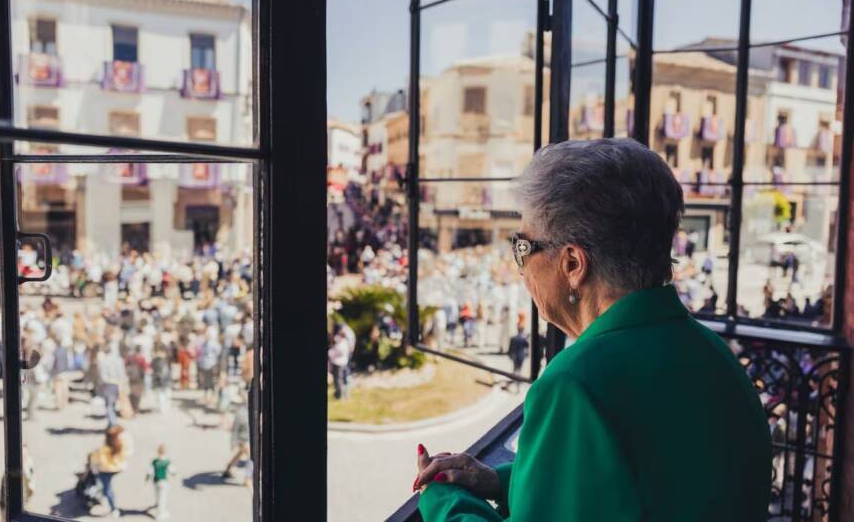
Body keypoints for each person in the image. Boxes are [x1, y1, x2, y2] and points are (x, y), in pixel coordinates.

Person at [413, 139, 771, 521]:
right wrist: (501, 479)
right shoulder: (712, 353)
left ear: (572, 264)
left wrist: (443, 499)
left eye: (522, 247)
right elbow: (650, 480)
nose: (520, 267)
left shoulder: (575, 383)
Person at [90, 425, 132, 518]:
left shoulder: (104, 450)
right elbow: (128, 452)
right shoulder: (121, 445)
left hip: (105, 470)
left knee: (107, 488)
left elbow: (97, 461)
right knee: (107, 487)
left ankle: (113, 507)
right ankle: (106, 497)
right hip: (118, 468)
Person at [97, 344, 127, 427]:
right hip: (117, 384)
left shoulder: (103, 362)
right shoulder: (119, 360)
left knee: (109, 405)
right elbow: (122, 374)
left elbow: (103, 377)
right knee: (113, 404)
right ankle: (111, 423)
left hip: (108, 385)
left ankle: (113, 423)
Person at [147, 443, 175, 520]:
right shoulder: (167, 461)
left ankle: (157, 504)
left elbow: (150, 471)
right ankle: (160, 513)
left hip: (156, 481)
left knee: (157, 494)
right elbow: (172, 471)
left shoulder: (155, 461)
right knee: (162, 498)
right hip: (164, 481)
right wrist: (173, 473)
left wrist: (147, 478)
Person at [506, 314, 529, 392]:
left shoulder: (513, 338)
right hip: (521, 356)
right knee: (519, 371)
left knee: (515, 370)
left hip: (515, 356)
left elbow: (510, 348)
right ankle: (517, 386)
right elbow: (527, 346)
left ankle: (514, 383)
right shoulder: (524, 339)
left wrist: (510, 355)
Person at [328, 325, 350, 400]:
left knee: (337, 380)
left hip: (338, 363)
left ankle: (339, 395)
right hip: (343, 362)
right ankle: (341, 394)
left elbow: (332, 353)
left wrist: (330, 350)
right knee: (341, 379)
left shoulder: (341, 345)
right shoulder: (344, 342)